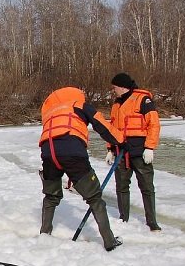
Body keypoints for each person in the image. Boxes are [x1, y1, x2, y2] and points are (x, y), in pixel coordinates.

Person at [39, 87, 124, 251]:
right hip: (72, 153)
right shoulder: (79, 105)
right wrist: (120, 140)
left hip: (48, 154)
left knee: (50, 196)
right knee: (95, 199)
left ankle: (44, 234)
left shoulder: (52, 111)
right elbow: (102, 125)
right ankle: (109, 241)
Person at [105, 73, 162, 231]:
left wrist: (150, 147)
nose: (113, 90)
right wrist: (110, 148)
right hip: (121, 152)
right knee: (121, 186)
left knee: (147, 187)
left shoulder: (143, 100)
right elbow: (112, 128)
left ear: (122, 87)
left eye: (114, 87)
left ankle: (152, 222)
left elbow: (154, 125)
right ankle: (123, 218)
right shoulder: (116, 104)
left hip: (140, 152)